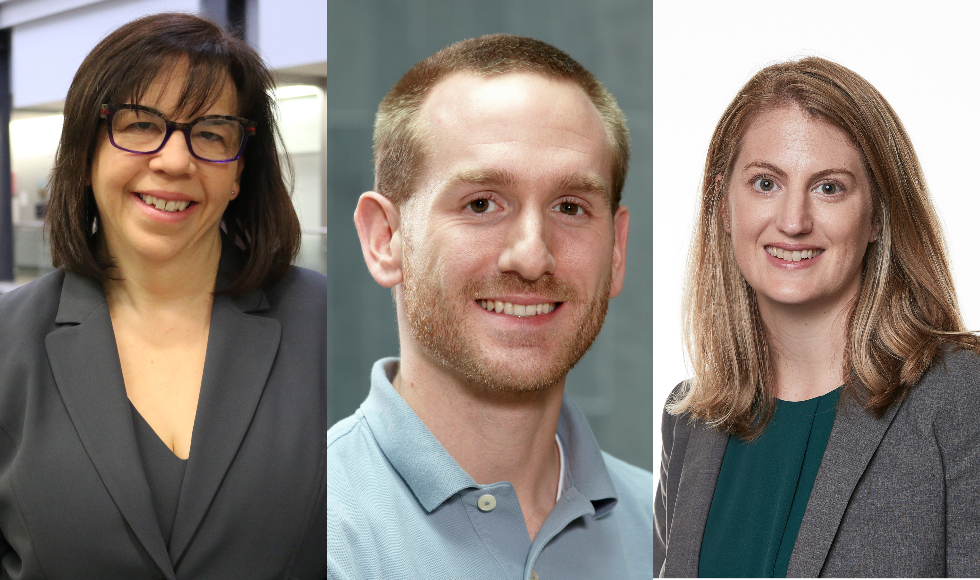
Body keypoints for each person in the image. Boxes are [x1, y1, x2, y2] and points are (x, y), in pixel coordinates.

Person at [0, 13, 326, 578]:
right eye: (140, 124)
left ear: (239, 173)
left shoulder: (330, 325)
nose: (175, 160)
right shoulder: (8, 342)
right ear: (86, 152)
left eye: (211, 133)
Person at [327, 34, 653, 579]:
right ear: (386, 239)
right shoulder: (300, 528)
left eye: (570, 207)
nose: (531, 255)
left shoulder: (676, 534)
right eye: (481, 204)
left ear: (616, 251)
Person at [655, 57, 980, 577]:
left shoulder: (961, 394)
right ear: (722, 204)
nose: (793, 221)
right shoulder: (691, 420)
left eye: (829, 187)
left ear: (877, 215)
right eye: (766, 183)